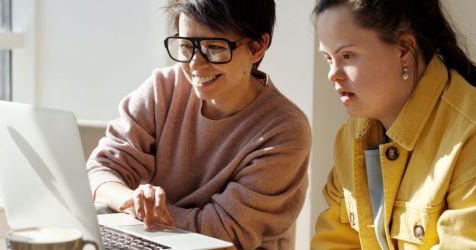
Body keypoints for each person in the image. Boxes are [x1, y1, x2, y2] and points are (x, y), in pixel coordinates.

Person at [86, 0, 311, 248]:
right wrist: (131, 201)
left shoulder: (284, 130)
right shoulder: (163, 89)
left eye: (213, 48)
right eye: (185, 46)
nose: (195, 64)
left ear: (257, 47)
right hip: (152, 239)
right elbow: (101, 169)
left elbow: (223, 231)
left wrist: (147, 216)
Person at [310, 0, 476, 249]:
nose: (333, 74)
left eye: (346, 56)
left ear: (404, 50)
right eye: (328, 59)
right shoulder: (351, 137)